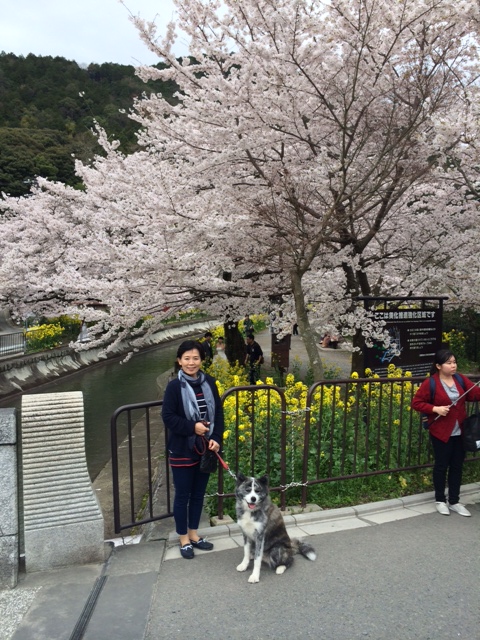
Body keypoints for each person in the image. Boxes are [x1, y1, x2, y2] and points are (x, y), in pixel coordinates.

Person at [162, 340, 225, 558]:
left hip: (206, 449)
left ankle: (194, 534)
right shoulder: (173, 387)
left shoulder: (211, 383)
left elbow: (218, 414)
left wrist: (216, 438)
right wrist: (193, 427)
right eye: (187, 358)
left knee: (198, 494)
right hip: (181, 450)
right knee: (183, 495)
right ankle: (183, 538)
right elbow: (168, 417)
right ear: (179, 361)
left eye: (195, 358)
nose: (191, 363)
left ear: (202, 360)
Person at [411, 349, 480, 517]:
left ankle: (455, 501)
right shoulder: (431, 383)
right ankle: (440, 500)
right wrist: (435, 408)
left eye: (454, 362)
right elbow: (417, 402)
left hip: (460, 431)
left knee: (457, 466)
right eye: (449, 363)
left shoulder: (460, 379)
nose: (453, 365)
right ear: (438, 366)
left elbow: (474, 394)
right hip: (441, 431)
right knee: (441, 465)